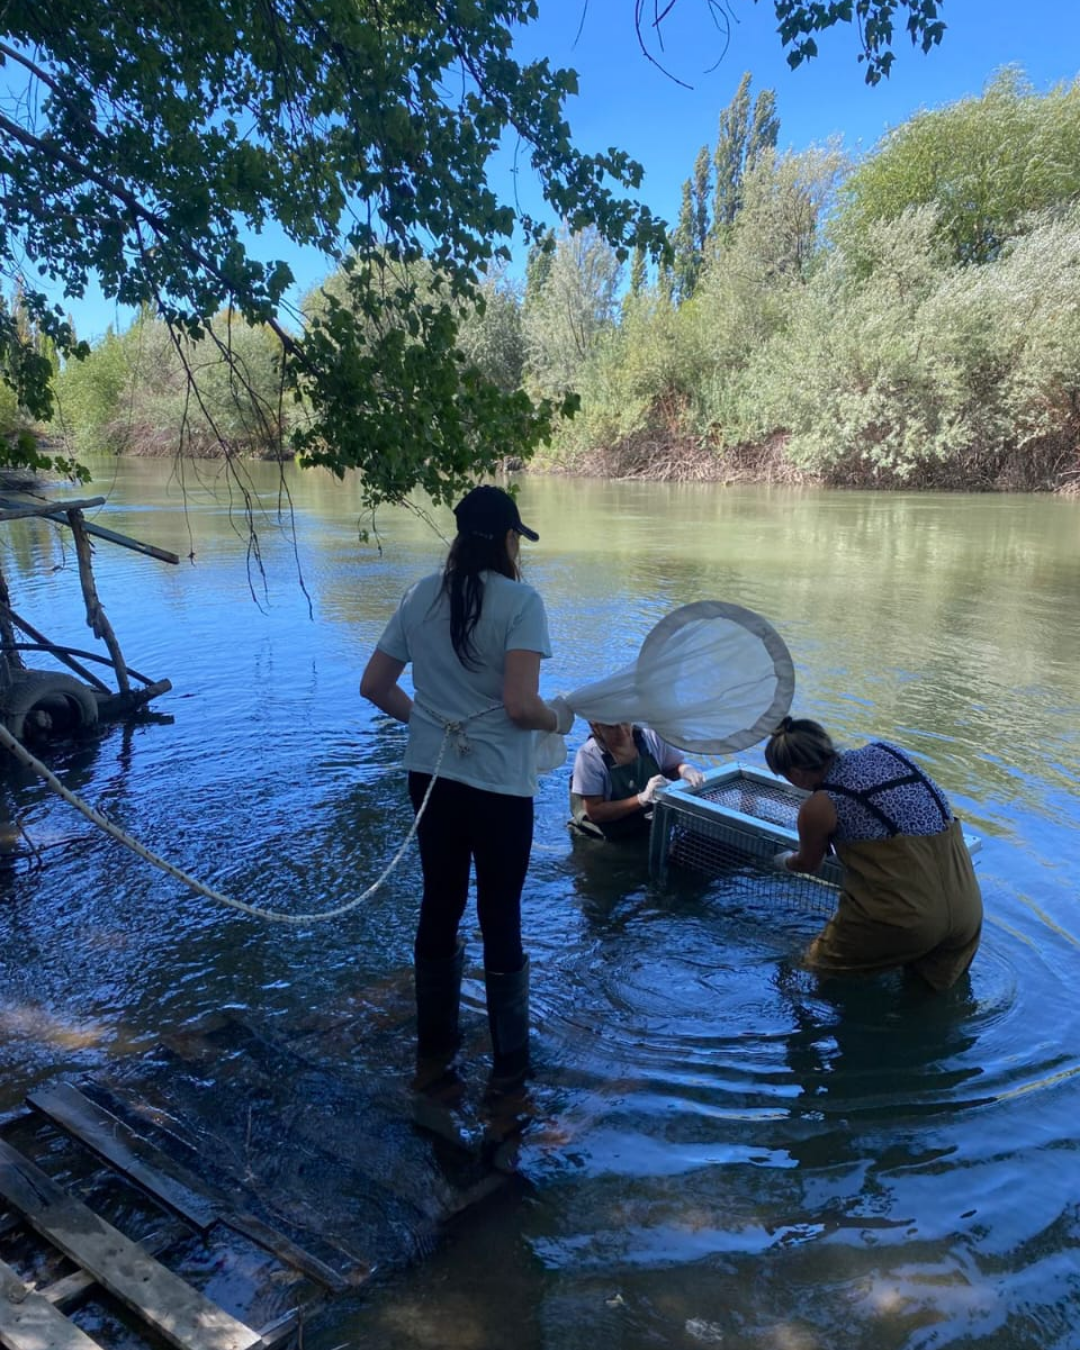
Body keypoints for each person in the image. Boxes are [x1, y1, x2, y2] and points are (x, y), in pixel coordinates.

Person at [359, 485, 573, 1087]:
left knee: (440, 899)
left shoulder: (419, 595)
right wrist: (559, 718)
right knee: (500, 913)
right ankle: (510, 1067)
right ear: (509, 539)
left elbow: (373, 685)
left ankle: (436, 1047)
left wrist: (433, 723)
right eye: (515, 537)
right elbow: (518, 705)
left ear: (458, 539)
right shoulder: (522, 602)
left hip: (430, 775)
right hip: (499, 786)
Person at [764, 716, 983, 990]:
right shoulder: (888, 752)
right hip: (966, 907)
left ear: (795, 773)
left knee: (804, 971)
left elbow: (809, 863)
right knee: (926, 996)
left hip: (904, 918)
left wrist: (783, 860)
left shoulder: (819, 806)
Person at [570, 721, 705, 841]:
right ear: (595, 727)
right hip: (602, 837)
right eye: (612, 727)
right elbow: (595, 812)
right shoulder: (588, 756)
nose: (623, 732)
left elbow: (673, 766)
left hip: (643, 825)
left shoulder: (651, 736)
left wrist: (685, 770)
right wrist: (641, 799)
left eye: (625, 722)